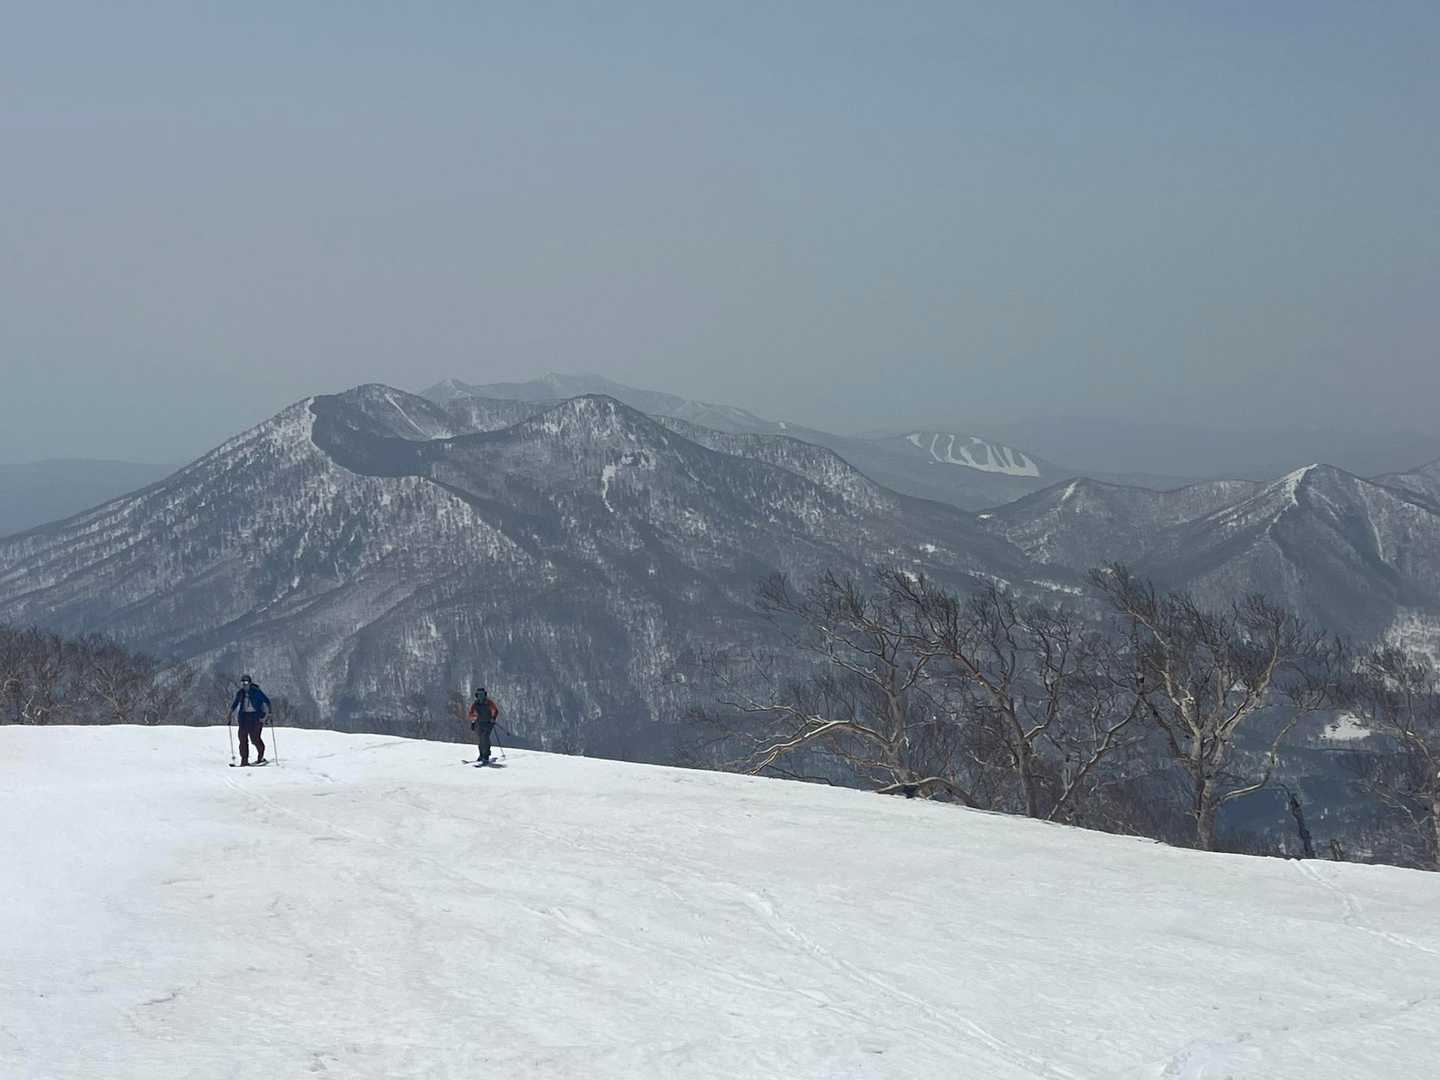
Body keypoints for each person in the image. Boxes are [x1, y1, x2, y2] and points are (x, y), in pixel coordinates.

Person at [231, 674, 271, 766]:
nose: (244, 684)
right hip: (244, 718)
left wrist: (268, 714)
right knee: (242, 738)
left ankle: (260, 757)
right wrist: (229, 713)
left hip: (256, 717)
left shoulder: (256, 692)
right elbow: (235, 703)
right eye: (242, 682)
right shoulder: (240, 693)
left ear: (250, 683)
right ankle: (244, 760)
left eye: (246, 682)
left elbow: (267, 701)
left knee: (255, 738)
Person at [468, 686, 500, 765]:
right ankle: (482, 754)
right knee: (481, 739)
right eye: (479, 694)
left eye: (481, 694)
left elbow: (495, 711)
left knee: (485, 737)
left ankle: (486, 755)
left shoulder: (489, 702)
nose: (480, 696)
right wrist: (473, 721)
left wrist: (493, 718)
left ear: (484, 695)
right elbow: (471, 714)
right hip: (480, 723)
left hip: (488, 723)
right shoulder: (476, 704)